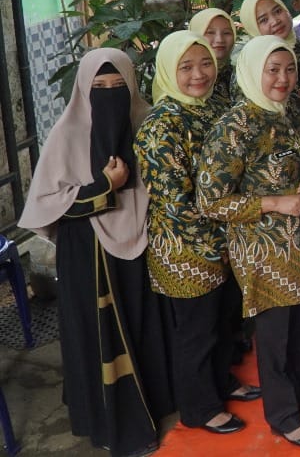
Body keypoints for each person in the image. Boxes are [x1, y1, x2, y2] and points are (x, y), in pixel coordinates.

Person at [19, 48, 173, 456]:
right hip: (87, 254)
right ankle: (112, 422)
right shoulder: (67, 134)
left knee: (142, 326)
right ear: (83, 92)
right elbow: (48, 201)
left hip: (141, 246)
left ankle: (156, 401)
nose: (110, 95)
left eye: (120, 87)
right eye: (99, 88)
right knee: (100, 336)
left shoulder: (147, 125)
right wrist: (105, 186)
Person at [196, 35, 300, 447]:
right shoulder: (236, 125)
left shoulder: (294, 111)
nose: (283, 79)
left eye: (289, 69)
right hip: (263, 249)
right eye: (273, 70)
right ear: (253, 72)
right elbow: (211, 200)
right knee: (275, 337)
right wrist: (274, 202)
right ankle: (284, 415)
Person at [136, 32, 255, 436]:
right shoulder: (161, 124)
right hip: (185, 249)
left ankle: (221, 382)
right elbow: (174, 201)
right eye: (185, 67)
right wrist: (220, 239)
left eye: (204, 63)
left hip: (225, 240)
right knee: (197, 332)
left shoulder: (215, 106)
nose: (199, 74)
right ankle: (199, 408)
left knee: (223, 322)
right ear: (169, 71)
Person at [190, 7, 236, 107]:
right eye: (210, 32)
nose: (220, 39)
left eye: (227, 33)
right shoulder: (184, 80)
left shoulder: (240, 75)